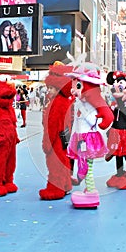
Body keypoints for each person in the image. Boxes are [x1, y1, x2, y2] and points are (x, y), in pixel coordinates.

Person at [66, 62, 114, 208]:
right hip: (81, 137)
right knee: (85, 164)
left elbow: (93, 120)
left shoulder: (90, 105)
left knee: (88, 166)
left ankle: (91, 191)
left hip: (87, 138)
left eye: (78, 86)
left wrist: (82, 110)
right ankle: (88, 188)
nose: (74, 90)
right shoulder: (82, 103)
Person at [39, 62, 74, 200]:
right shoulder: (64, 101)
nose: (49, 91)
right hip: (64, 138)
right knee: (64, 162)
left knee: (54, 164)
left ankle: (56, 188)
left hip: (56, 141)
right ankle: (66, 185)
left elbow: (52, 126)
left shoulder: (56, 103)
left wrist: (47, 144)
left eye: (52, 88)